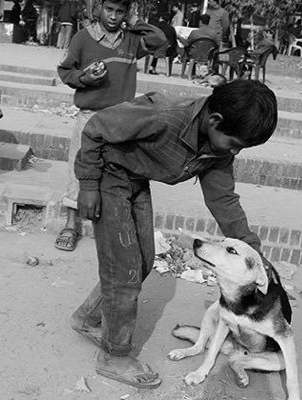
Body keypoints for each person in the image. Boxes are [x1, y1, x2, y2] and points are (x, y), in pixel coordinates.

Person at [71, 79, 278, 388]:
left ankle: (87, 318)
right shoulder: (165, 115)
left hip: (135, 180)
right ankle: (113, 356)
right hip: (107, 175)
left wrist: (251, 247)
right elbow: (96, 127)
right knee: (124, 272)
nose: (234, 151)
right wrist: (87, 184)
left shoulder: (217, 150)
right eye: (234, 143)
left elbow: (222, 199)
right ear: (215, 121)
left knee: (142, 261)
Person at [55, 0, 165, 251]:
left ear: (127, 13)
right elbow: (65, 72)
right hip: (90, 116)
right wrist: (85, 78)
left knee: (116, 171)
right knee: (79, 169)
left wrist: (136, 22)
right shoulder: (83, 38)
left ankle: (109, 227)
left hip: (121, 118)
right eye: (109, 10)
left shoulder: (131, 40)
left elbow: (159, 41)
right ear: (99, 9)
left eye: (120, 11)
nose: (114, 17)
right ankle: (71, 225)